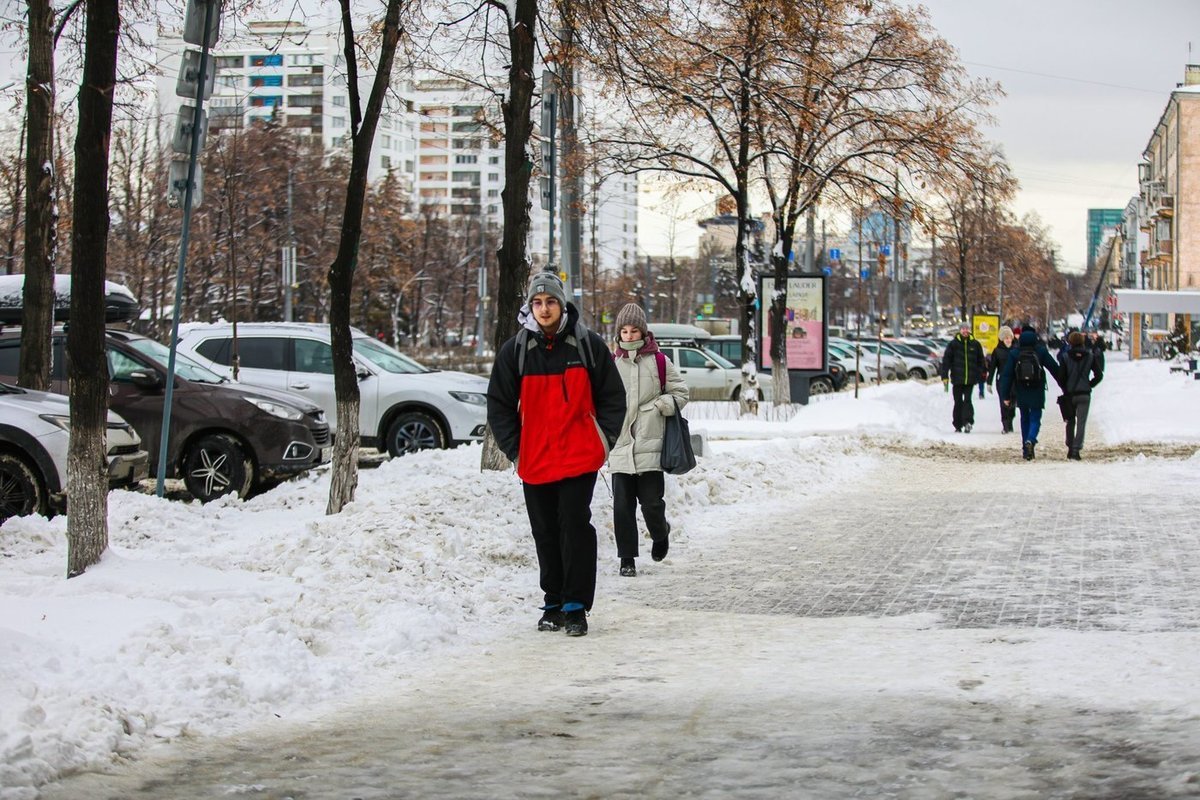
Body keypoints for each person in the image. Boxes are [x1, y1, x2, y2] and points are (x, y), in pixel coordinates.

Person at [486, 270, 626, 637]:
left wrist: (602, 440)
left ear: (562, 304)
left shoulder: (587, 346)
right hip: (536, 459)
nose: (544, 309)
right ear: (530, 306)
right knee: (545, 531)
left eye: (550, 301)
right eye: (537, 302)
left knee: (575, 526)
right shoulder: (515, 350)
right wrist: (516, 449)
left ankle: (576, 606)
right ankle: (552, 603)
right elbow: (499, 405)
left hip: (579, 455)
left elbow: (613, 397)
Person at [609, 303, 689, 578]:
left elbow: (681, 392)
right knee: (622, 507)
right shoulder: (611, 364)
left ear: (643, 331)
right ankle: (627, 558)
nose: (629, 336)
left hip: (651, 442)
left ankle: (660, 533)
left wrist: (663, 404)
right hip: (620, 444)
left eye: (633, 330)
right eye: (624, 330)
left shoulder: (658, 361)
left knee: (651, 503)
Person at [998, 325, 1061, 461]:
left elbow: (1007, 376)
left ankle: (1025, 448)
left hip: (1021, 390)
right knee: (1035, 418)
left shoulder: (1015, 353)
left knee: (1024, 418)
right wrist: (1065, 385)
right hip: (1037, 389)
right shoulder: (1041, 351)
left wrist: (1005, 395)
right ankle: (1031, 440)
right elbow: (1055, 369)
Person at [1057, 330, 1104, 460]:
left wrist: (1065, 388)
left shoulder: (1065, 357)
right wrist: (1089, 384)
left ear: (1070, 342)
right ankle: (1076, 450)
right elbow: (1099, 375)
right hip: (1084, 394)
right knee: (1081, 423)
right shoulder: (1090, 356)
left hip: (1070, 394)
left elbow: (1061, 377)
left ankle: (1070, 447)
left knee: (1070, 421)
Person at [939, 322, 986, 433]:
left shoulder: (975, 344)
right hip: (957, 379)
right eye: (963, 329)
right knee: (958, 401)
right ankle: (958, 424)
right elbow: (946, 361)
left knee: (968, 401)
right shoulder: (953, 344)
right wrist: (944, 375)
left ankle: (968, 422)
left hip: (970, 379)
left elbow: (981, 361)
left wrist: (979, 374)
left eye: (967, 329)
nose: (965, 331)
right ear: (960, 330)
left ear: (969, 330)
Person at [987, 325, 1016, 434]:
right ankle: (1005, 425)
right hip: (1002, 381)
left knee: (1013, 403)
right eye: (1006, 338)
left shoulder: (1016, 349)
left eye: (1009, 337)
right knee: (1004, 402)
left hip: (1014, 381)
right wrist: (989, 382)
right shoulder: (997, 351)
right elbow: (993, 367)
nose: (1008, 340)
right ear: (1001, 339)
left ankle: (1010, 420)